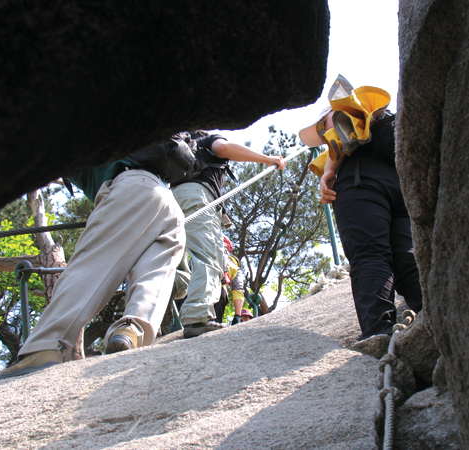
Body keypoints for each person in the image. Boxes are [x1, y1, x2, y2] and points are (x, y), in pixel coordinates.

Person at [0, 142, 186, 382]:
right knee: (154, 275)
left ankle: (43, 346)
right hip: (169, 204)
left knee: (90, 266)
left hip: (132, 189)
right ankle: (132, 329)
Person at [299, 75, 423, 342]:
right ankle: (434, 314)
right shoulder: (383, 125)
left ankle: (379, 333)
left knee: (370, 254)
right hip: (400, 188)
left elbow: (344, 134)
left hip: (361, 182)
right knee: (407, 257)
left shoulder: (345, 116)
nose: (322, 134)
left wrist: (328, 172)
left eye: (322, 126)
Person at [171, 131, 286, 338]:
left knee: (173, 262)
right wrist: (268, 159)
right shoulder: (206, 139)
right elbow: (224, 149)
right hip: (197, 196)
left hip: (169, 199)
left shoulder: (179, 145)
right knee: (209, 256)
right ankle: (197, 317)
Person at [213, 236, 247, 324]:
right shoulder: (234, 267)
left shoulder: (202, 252)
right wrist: (237, 315)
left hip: (193, 290)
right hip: (218, 293)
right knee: (211, 325)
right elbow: (238, 291)